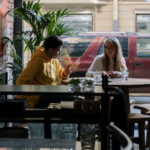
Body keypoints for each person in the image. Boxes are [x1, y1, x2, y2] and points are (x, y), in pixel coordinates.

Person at [86, 37, 128, 149]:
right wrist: (101, 73)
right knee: (119, 96)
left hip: (114, 91)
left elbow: (125, 74)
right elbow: (88, 74)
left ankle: (111, 121)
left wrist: (116, 74)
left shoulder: (120, 60)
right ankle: (120, 132)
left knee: (118, 95)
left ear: (117, 48)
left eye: (111, 47)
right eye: (106, 47)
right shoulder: (99, 59)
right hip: (102, 90)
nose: (108, 50)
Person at [16, 35, 75, 108]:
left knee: (73, 98)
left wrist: (65, 73)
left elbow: (60, 74)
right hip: (40, 97)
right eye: (58, 50)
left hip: (52, 93)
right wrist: (26, 101)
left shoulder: (53, 59)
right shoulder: (37, 62)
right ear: (50, 50)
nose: (59, 53)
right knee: (73, 101)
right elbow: (20, 81)